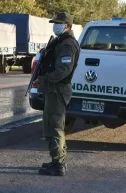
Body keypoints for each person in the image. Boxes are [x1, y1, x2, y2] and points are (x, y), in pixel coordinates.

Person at [36, 12, 80, 176]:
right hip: (54, 89)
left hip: (58, 89)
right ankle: (58, 160)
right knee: (52, 126)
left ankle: (58, 165)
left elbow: (63, 70)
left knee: (54, 127)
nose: (55, 26)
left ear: (67, 25)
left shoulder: (68, 44)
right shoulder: (61, 42)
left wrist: (44, 80)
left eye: (58, 23)